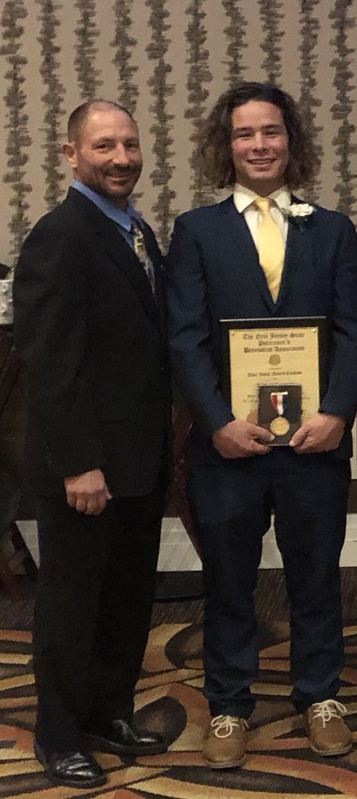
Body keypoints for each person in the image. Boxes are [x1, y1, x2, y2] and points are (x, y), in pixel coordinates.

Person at [166, 83, 357, 768]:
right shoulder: (196, 230)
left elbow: (351, 330)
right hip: (230, 447)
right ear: (226, 146)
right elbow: (186, 338)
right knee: (229, 579)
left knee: (317, 575)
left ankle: (320, 696)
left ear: (292, 141)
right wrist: (216, 422)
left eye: (272, 132)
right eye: (245, 134)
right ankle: (228, 705)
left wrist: (338, 412)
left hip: (315, 442)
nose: (260, 145)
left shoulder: (332, 229)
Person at [13, 100, 171, 788]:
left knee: (127, 597)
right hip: (87, 467)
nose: (121, 159)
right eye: (105, 146)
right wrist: (80, 463)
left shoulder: (136, 230)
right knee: (72, 604)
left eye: (131, 145)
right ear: (71, 154)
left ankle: (109, 711)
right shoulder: (61, 236)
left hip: (138, 459)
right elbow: (53, 362)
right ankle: (58, 733)